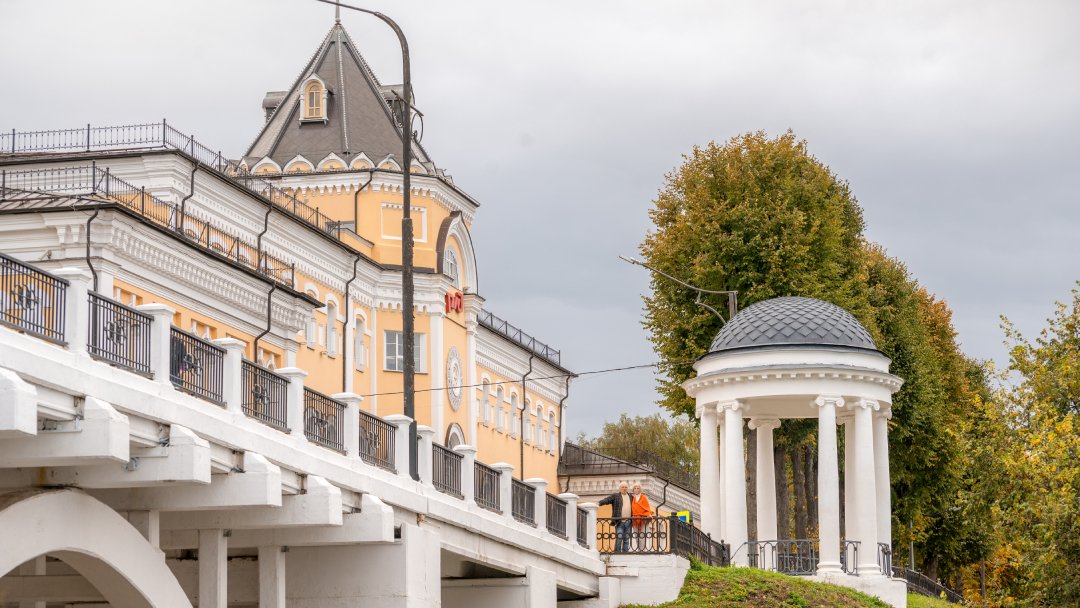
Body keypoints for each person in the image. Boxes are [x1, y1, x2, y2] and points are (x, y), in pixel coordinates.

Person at [599, 482, 632, 552]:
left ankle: (625, 553)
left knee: (626, 539)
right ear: (620, 488)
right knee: (619, 537)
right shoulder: (616, 496)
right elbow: (607, 500)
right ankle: (617, 552)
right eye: (623, 487)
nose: (624, 488)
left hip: (628, 522)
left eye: (626, 487)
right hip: (619, 522)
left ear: (627, 488)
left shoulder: (631, 497)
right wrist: (599, 503)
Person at [630, 482, 653, 550]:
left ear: (640, 489)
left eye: (638, 488)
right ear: (633, 490)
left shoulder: (643, 498)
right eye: (635, 488)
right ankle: (639, 550)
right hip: (635, 520)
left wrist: (648, 514)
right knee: (636, 536)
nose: (636, 489)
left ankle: (642, 551)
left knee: (642, 536)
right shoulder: (633, 499)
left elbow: (647, 508)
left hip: (643, 519)